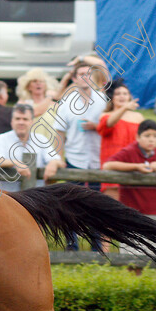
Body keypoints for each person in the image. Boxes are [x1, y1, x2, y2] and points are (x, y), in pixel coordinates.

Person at [54, 61, 109, 251]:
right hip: (74, 160)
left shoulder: (103, 100)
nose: (84, 77)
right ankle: (72, 244)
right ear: (74, 78)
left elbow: (111, 125)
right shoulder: (66, 104)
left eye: (88, 73)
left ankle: (97, 244)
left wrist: (97, 127)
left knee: (96, 204)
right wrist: (57, 157)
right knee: (71, 203)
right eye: (80, 74)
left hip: (97, 160)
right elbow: (59, 133)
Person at [102, 120, 156, 215]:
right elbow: (107, 165)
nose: (151, 140)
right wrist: (136, 167)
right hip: (131, 211)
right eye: (147, 136)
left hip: (153, 211)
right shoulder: (129, 151)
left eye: (155, 136)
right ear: (138, 137)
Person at [0, 103, 64, 192]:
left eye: (25, 119)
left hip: (34, 198)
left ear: (31, 121)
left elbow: (59, 162)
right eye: (17, 119)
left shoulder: (41, 139)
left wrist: (53, 163)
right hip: (6, 197)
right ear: (11, 121)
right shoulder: (1, 139)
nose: (21, 122)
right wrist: (16, 163)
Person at [96, 82, 142, 204]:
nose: (122, 96)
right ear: (112, 98)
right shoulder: (106, 115)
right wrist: (124, 108)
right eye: (118, 94)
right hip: (112, 165)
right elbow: (108, 124)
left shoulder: (138, 117)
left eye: (125, 94)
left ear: (130, 97)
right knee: (113, 207)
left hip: (133, 165)